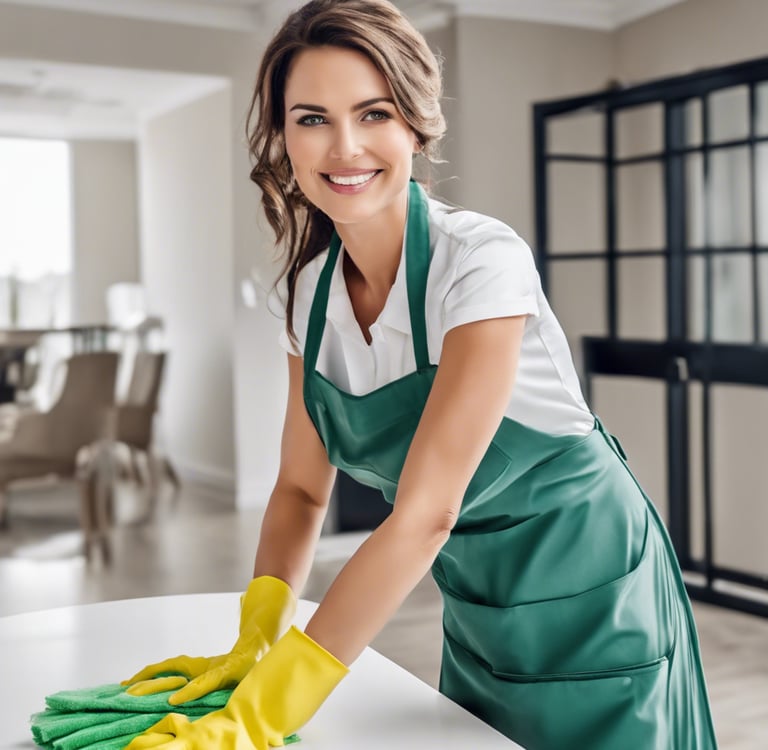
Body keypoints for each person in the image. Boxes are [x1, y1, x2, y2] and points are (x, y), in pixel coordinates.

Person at [122, 1, 718, 748]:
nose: (344, 147)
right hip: (475, 597)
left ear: (414, 125)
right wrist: (259, 635)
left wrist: (265, 713)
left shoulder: (480, 262)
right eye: (312, 119)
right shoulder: (308, 294)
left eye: (373, 113)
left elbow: (428, 512)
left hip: (596, 590)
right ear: (282, 137)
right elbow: (301, 489)